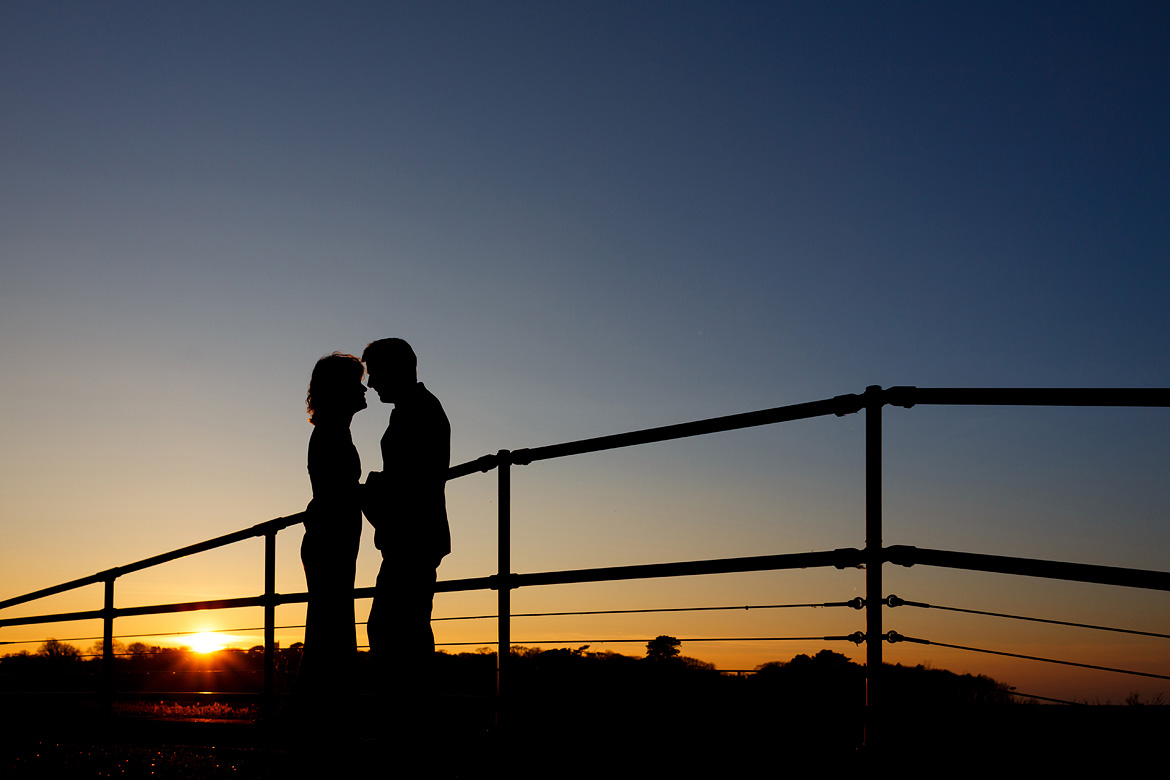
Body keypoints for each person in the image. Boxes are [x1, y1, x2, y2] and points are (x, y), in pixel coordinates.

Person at [360, 338, 450, 713]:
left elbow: (412, 481)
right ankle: (411, 719)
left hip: (411, 536)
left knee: (393, 631)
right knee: (400, 630)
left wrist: (373, 487)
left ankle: (408, 720)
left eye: (375, 373)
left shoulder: (417, 411)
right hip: (413, 536)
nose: (371, 383)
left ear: (398, 369)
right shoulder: (416, 409)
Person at [299, 352, 367, 696]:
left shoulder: (334, 430)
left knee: (331, 620)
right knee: (333, 621)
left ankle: (322, 706)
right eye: (357, 382)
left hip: (332, 535)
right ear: (339, 389)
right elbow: (338, 490)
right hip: (331, 537)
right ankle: (324, 707)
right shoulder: (331, 432)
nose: (365, 388)